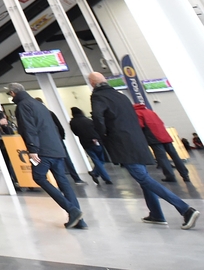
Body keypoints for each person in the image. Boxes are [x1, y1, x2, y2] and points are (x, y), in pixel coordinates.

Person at [89, 72, 198, 228]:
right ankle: (156, 214)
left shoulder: (98, 97)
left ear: (92, 84)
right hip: (138, 142)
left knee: (143, 178)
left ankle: (185, 209)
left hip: (123, 144)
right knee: (143, 178)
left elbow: (98, 118)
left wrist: (102, 135)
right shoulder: (122, 96)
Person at [5, 84, 84, 229]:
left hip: (42, 150)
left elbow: (29, 128)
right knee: (63, 182)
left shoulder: (23, 106)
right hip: (56, 148)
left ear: (12, 93)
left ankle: (72, 210)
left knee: (39, 177)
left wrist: (32, 149)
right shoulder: (39, 105)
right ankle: (79, 220)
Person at [133, 103, 191, 183]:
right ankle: (185, 175)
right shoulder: (151, 112)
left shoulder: (137, 113)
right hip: (165, 136)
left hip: (153, 137)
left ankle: (170, 176)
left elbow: (140, 125)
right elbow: (161, 122)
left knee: (162, 158)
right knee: (175, 156)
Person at [34, 97, 82, 183]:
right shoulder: (50, 113)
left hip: (46, 141)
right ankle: (76, 178)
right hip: (57, 139)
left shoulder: (37, 115)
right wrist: (61, 137)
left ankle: (57, 180)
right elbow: (59, 126)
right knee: (66, 158)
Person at [69, 106, 112, 185]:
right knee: (101, 160)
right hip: (95, 141)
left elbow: (75, 133)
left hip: (85, 143)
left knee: (96, 159)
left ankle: (95, 173)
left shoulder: (72, 122)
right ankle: (105, 178)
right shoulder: (88, 120)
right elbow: (97, 129)